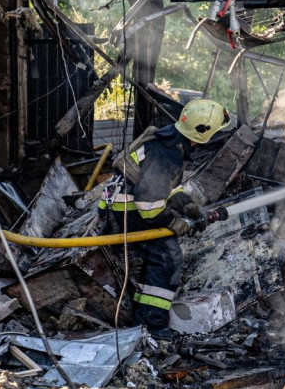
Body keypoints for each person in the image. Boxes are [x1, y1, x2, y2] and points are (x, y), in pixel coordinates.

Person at [99, 98, 233, 330]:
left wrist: (186, 205)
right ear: (202, 134)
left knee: (157, 259)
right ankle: (151, 324)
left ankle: (141, 314)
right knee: (168, 258)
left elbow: (166, 187)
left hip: (122, 206)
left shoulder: (170, 138)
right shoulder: (166, 153)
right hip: (127, 212)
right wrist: (173, 222)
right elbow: (149, 204)